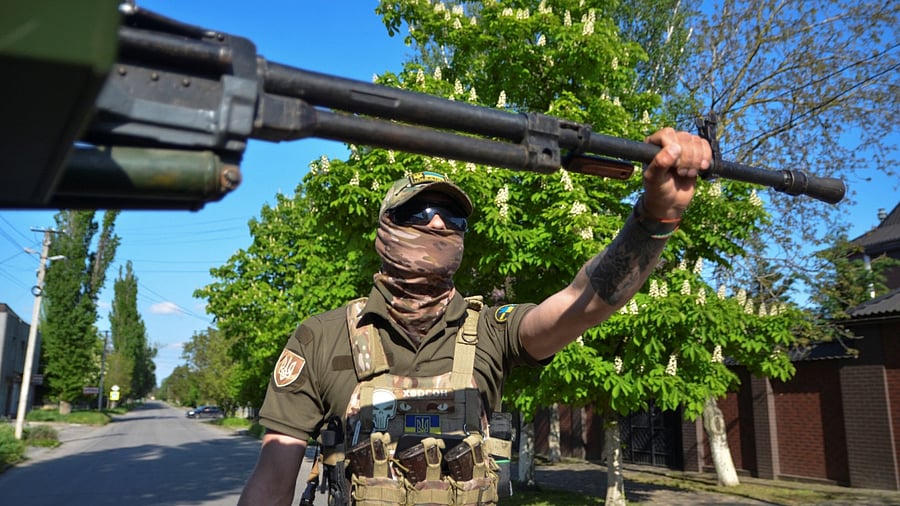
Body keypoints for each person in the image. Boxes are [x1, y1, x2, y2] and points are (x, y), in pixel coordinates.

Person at [238, 128, 711, 505]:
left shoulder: (489, 329)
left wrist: (656, 218)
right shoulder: (321, 337)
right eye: (419, 213)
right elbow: (273, 484)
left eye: (453, 219)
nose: (439, 224)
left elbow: (584, 303)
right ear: (385, 231)